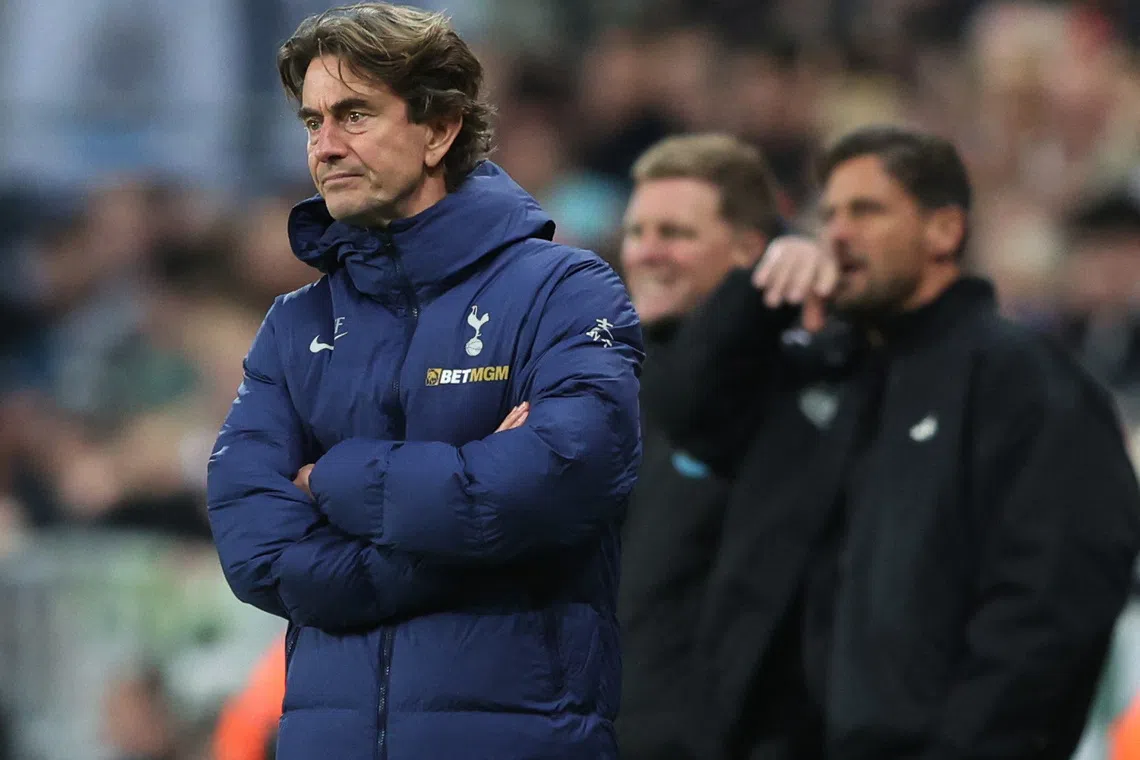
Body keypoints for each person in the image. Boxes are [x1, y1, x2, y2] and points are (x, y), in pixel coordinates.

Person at [205, 5, 643, 760]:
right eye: (313, 122)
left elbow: (560, 474)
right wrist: (464, 531)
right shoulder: (293, 323)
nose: (325, 147)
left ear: (439, 130)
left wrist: (337, 480)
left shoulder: (565, 291)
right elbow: (257, 547)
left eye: (355, 115)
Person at [645, 124, 1140, 760]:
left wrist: (970, 743)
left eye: (866, 211)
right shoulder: (828, 374)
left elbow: (1054, 595)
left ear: (944, 231)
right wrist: (758, 298)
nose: (838, 233)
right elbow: (687, 414)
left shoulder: (1023, 382)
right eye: (829, 215)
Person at [614, 133, 799, 760]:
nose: (647, 252)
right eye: (638, 231)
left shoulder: (793, 389)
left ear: (749, 249)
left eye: (675, 233)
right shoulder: (609, 384)